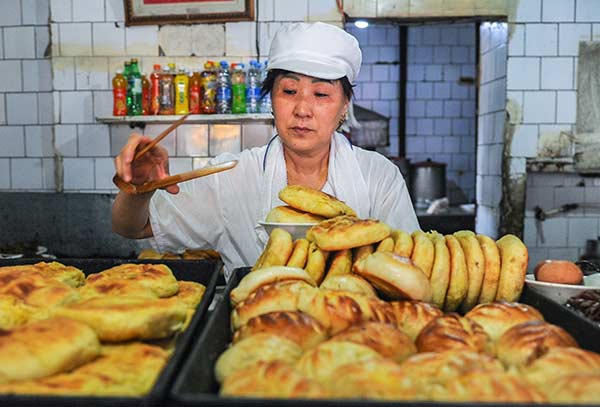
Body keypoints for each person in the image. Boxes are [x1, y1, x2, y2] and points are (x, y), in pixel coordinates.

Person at [112, 22, 419, 279]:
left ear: (344, 108)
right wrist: (138, 188)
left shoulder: (379, 177)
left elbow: (410, 265)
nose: (302, 109)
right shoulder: (230, 176)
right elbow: (133, 227)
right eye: (288, 91)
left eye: (321, 93)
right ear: (271, 100)